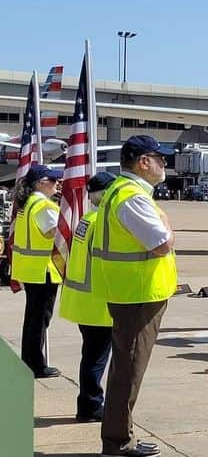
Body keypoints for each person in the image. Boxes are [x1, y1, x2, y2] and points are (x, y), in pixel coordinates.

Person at [93, 135, 178, 457]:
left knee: (126, 365)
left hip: (133, 292)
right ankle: (117, 441)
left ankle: (119, 436)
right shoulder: (132, 197)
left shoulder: (122, 192)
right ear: (144, 161)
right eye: (161, 158)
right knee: (129, 367)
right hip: (138, 295)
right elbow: (161, 242)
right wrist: (168, 227)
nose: (164, 164)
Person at [57, 171, 117, 422]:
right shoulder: (102, 222)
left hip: (83, 300)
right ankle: (91, 406)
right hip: (97, 303)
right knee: (96, 359)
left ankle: (89, 403)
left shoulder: (87, 219)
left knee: (91, 356)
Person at [11, 164, 64, 378]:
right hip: (44, 271)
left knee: (33, 320)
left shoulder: (27, 204)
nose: (57, 183)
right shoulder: (43, 206)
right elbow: (57, 234)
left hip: (31, 270)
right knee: (39, 321)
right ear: (41, 183)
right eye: (53, 180)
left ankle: (29, 361)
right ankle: (36, 364)